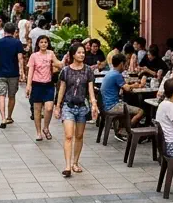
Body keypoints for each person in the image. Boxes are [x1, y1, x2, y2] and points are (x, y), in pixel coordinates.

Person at [55, 43, 97, 177]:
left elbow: (90, 90)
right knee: (69, 135)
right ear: (73, 54)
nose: (82, 55)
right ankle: (67, 166)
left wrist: (94, 104)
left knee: (79, 136)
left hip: (82, 107)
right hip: (68, 106)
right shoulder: (65, 71)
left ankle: (75, 162)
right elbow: (62, 89)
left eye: (83, 52)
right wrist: (58, 106)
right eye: (79, 52)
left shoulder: (88, 70)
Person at [0, 22, 27, 128]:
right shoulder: (17, 43)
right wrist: (22, 72)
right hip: (14, 74)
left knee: (1, 95)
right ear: (14, 32)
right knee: (11, 96)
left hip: (1, 73)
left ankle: (3, 118)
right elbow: (20, 58)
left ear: (4, 31)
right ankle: (9, 116)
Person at [100, 53, 144, 138]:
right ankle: (127, 131)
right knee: (140, 111)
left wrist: (129, 84)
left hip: (106, 104)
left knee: (127, 105)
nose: (126, 66)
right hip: (112, 106)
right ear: (121, 64)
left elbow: (122, 85)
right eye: (126, 64)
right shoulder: (117, 74)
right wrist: (135, 85)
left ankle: (122, 129)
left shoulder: (111, 72)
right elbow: (127, 88)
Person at [27, 34, 60, 141]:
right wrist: (28, 86)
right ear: (38, 44)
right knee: (37, 110)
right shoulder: (34, 56)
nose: (43, 44)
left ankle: (46, 127)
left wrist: (64, 60)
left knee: (49, 108)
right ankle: (38, 132)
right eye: (41, 42)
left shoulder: (51, 54)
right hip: (37, 85)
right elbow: (30, 72)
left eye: (45, 42)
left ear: (48, 43)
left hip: (48, 85)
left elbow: (58, 65)